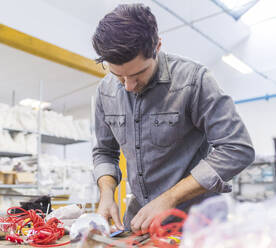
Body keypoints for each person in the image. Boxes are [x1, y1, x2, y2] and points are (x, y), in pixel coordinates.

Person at [92, 3, 255, 233]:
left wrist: (170, 198)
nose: (128, 86)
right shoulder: (105, 91)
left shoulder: (194, 80)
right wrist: (106, 193)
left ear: (157, 46)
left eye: (138, 74)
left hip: (197, 224)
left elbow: (237, 148)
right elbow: (104, 152)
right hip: (140, 224)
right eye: (118, 76)